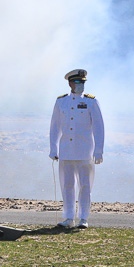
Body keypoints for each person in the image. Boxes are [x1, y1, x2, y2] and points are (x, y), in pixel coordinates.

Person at [49, 69, 105, 229]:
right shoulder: (61, 102)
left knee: (85, 185)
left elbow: (99, 127)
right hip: (66, 151)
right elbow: (55, 126)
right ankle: (68, 217)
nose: (81, 85)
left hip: (85, 151)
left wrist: (98, 150)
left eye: (83, 82)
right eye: (78, 82)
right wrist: (53, 148)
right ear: (70, 83)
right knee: (67, 185)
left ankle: (83, 218)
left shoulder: (91, 102)